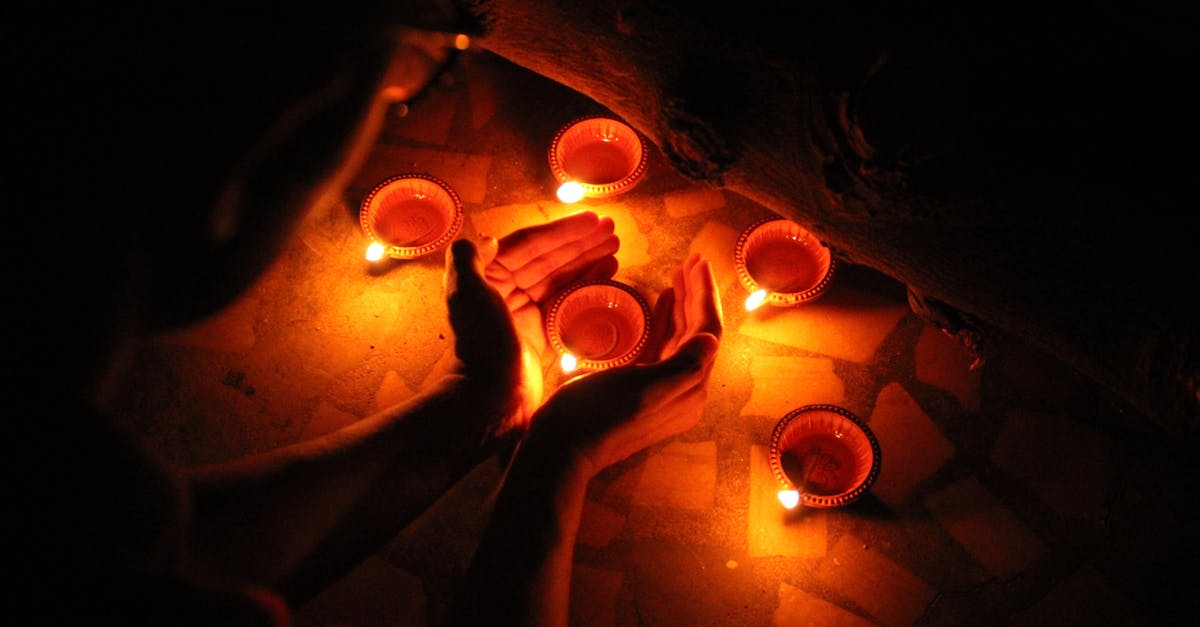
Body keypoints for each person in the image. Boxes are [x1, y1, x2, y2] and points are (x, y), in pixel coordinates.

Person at [15, 6, 723, 627]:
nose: (397, 104)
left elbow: (170, 547)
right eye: (407, 82)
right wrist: (558, 464)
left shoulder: (58, 477)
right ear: (281, 125)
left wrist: (478, 400)